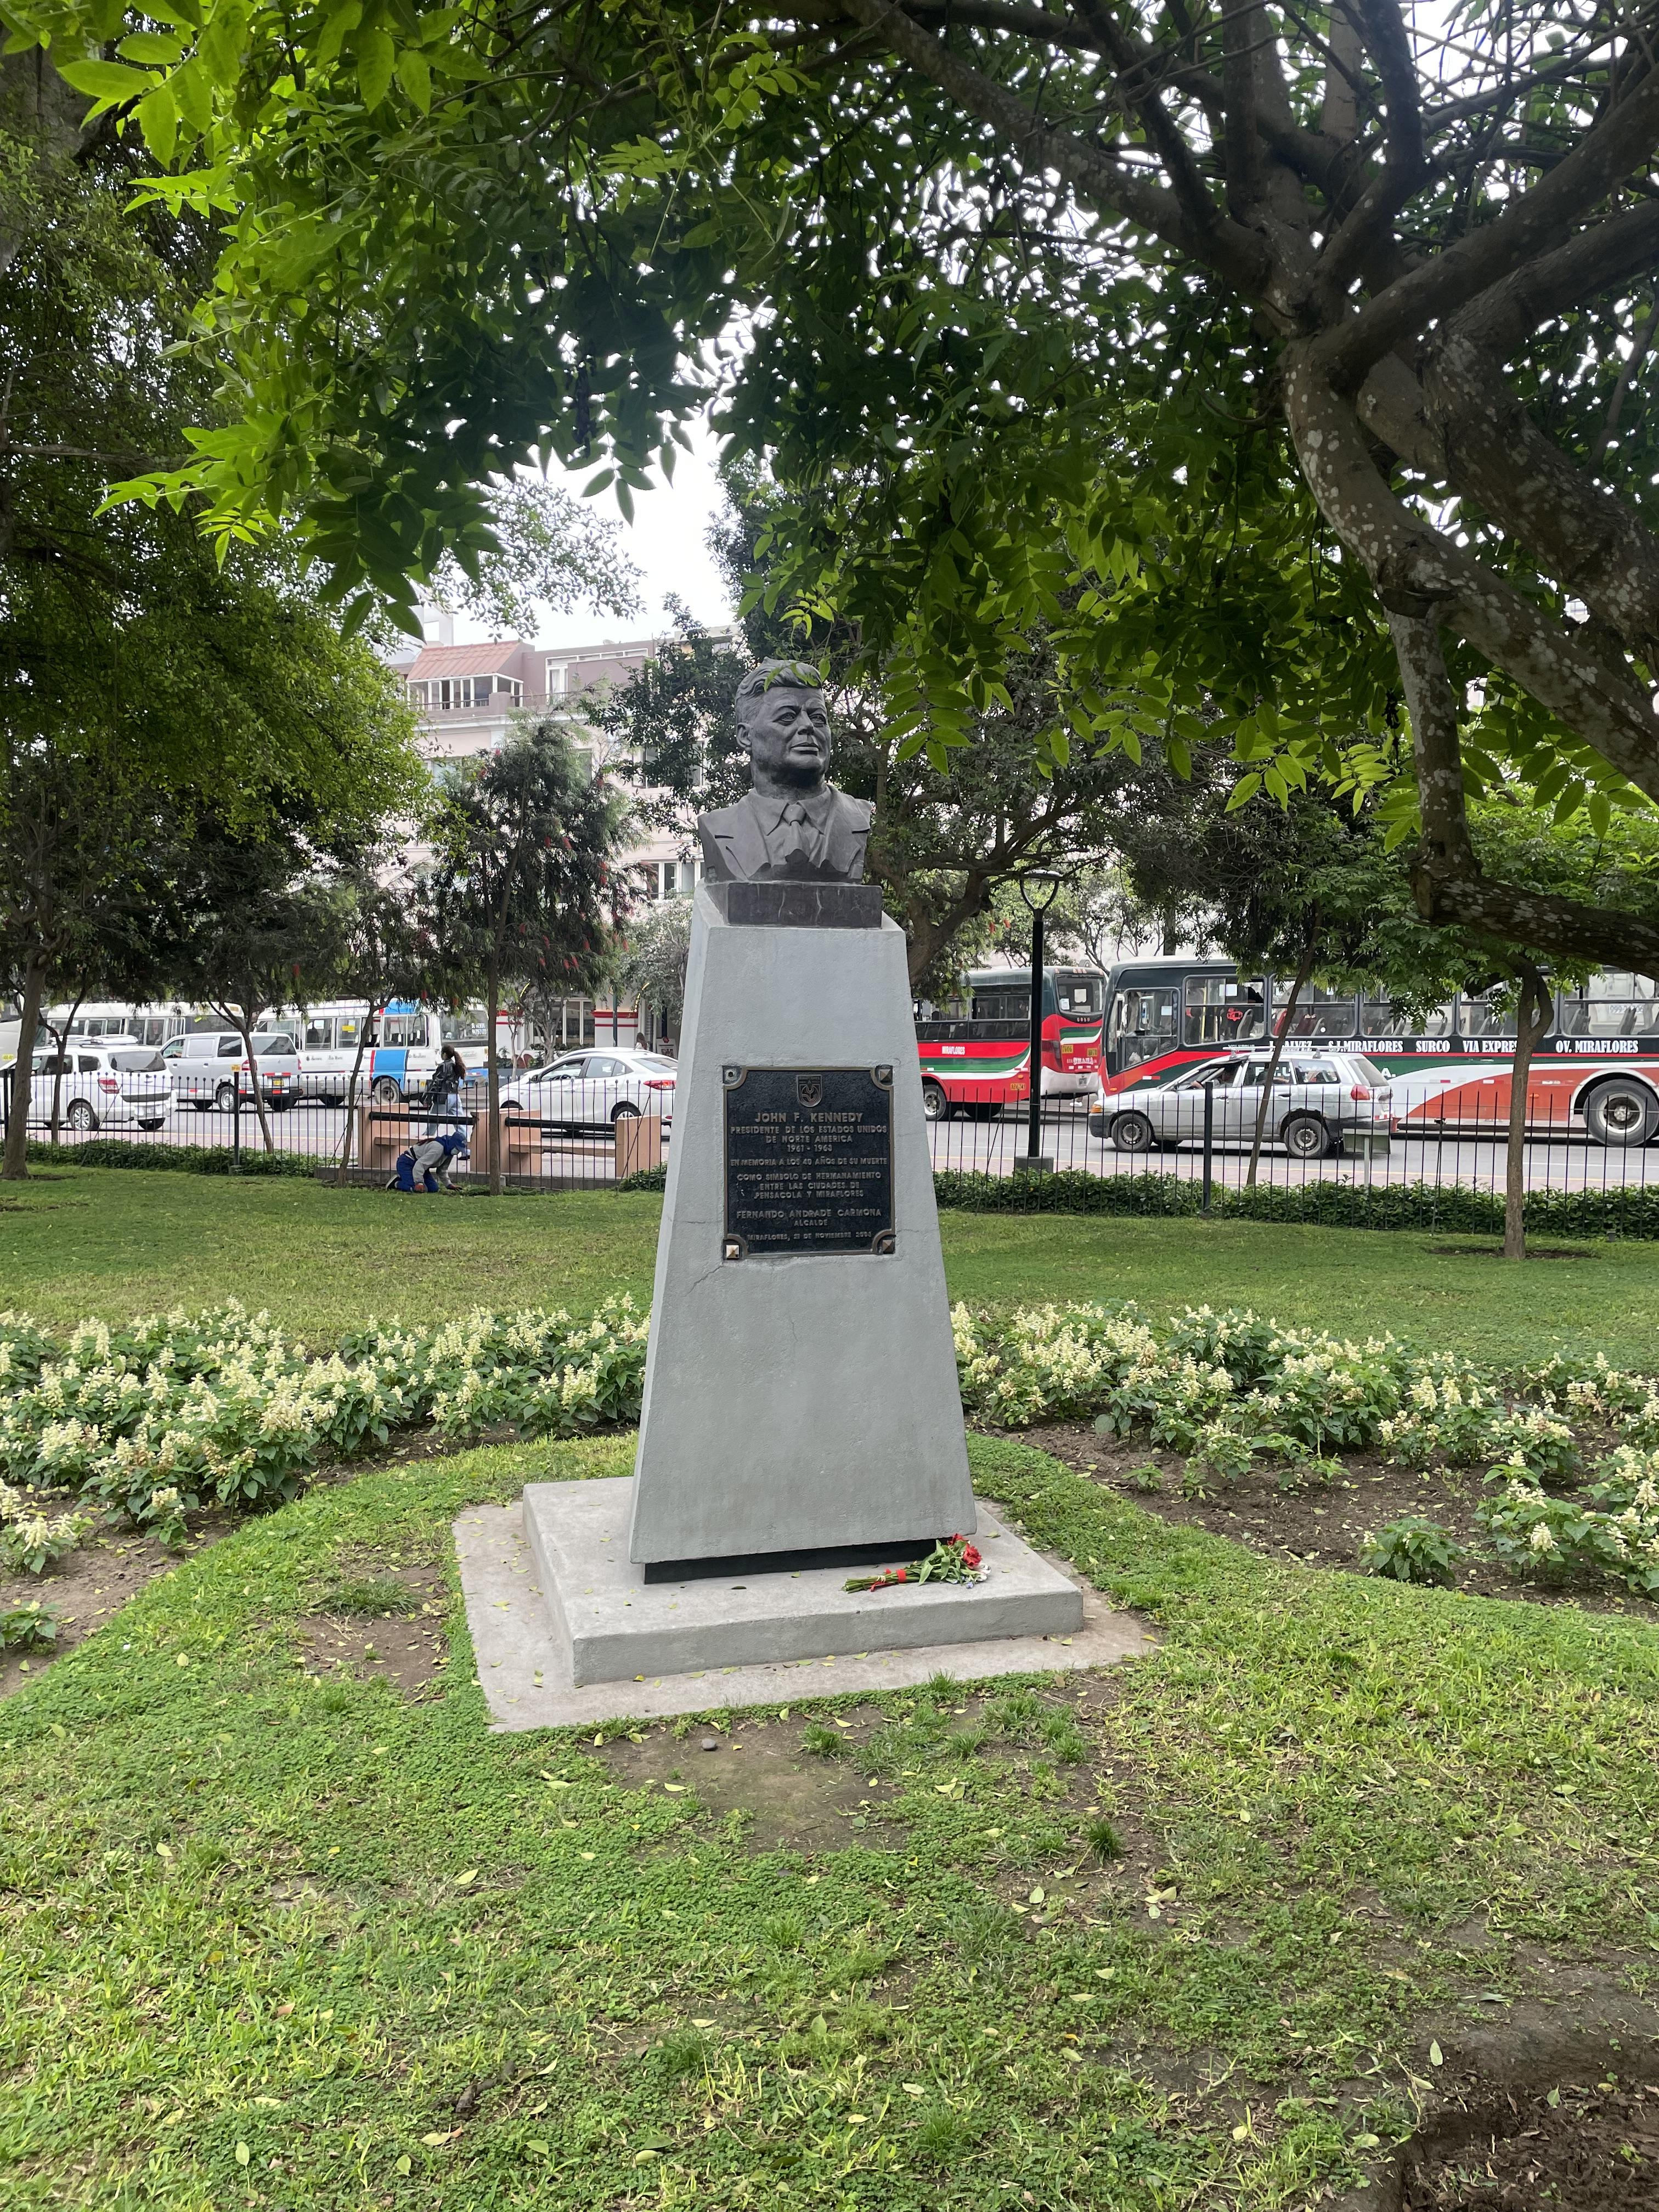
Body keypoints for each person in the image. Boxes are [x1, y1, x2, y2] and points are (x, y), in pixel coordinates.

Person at [697, 661, 873, 884]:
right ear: (746, 736)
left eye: (818, 718)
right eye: (788, 717)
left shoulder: (858, 819)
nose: (808, 726)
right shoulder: (718, 828)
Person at [390, 1130, 470, 1192]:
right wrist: (419, 1182)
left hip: (420, 1168)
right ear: (452, 1144)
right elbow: (420, 1164)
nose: (457, 1152)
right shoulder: (438, 1149)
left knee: (434, 1189)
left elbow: (442, 1170)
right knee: (418, 1189)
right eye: (457, 1149)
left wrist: (449, 1184)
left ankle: (407, 1179)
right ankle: (396, 1183)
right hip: (407, 1163)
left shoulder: (449, 1152)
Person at [423, 1042, 466, 1135]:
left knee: (433, 1123)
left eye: (441, 1053)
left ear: (445, 1054)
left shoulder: (443, 1066)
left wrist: (428, 1099)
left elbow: (436, 1083)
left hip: (444, 1097)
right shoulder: (456, 1065)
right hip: (455, 1096)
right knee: (459, 1123)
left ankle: (426, 1140)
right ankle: (465, 1141)